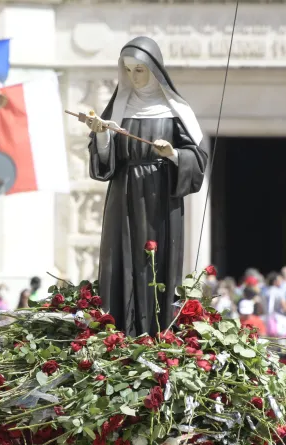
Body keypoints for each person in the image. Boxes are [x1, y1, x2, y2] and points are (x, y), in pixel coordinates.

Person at [85, 36, 207, 335]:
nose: (133, 77)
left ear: (154, 70)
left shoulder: (176, 110)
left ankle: (157, 330)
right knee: (120, 260)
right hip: (123, 194)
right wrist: (102, 135)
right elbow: (105, 163)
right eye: (127, 70)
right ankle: (119, 331)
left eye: (139, 70)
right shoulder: (119, 108)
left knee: (156, 261)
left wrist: (174, 154)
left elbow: (198, 160)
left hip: (160, 197)